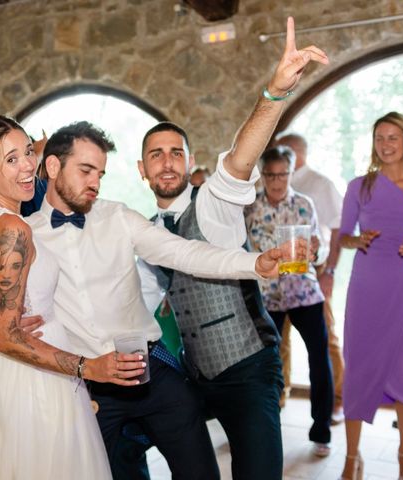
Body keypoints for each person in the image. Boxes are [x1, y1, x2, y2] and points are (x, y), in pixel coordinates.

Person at [0, 115, 285, 479]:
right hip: (89, 385)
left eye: (100, 173)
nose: (95, 183)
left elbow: (185, 253)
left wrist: (254, 262)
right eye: (86, 170)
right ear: (52, 166)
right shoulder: (24, 232)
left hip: (152, 372)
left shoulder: (119, 217)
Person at [131, 20, 328, 478]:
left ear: (189, 160)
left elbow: (241, 157)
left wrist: (274, 94)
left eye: (176, 152)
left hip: (247, 369)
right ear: (142, 169)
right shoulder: (143, 232)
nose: (167, 161)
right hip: (191, 378)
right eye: (156, 154)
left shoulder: (215, 202)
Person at [0, 115, 143, 479]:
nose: (28, 165)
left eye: (29, 152)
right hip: (32, 379)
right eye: (11, 159)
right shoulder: (13, 229)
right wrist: (88, 366)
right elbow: (8, 336)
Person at [337, 112, 403, 480]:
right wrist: (357, 240)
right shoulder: (360, 187)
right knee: (359, 369)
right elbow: (343, 236)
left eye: (393, 137)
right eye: (379, 138)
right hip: (368, 288)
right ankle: (352, 458)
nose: (385, 144)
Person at [245, 145, 334, 458]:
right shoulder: (250, 207)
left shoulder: (304, 204)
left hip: (304, 293)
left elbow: (320, 248)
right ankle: (261, 429)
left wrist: (316, 252)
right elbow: (243, 252)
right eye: (270, 175)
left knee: (319, 359)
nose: (276, 181)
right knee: (263, 365)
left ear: (291, 172)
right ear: (263, 175)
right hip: (267, 294)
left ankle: (321, 430)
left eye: (282, 174)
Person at [275, 133, 345, 422]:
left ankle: (337, 399)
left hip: (313, 274)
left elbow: (338, 230)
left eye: (283, 150)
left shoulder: (320, 183)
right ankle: (279, 397)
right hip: (277, 275)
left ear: (296, 152)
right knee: (279, 342)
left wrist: (329, 270)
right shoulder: (271, 183)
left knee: (325, 338)